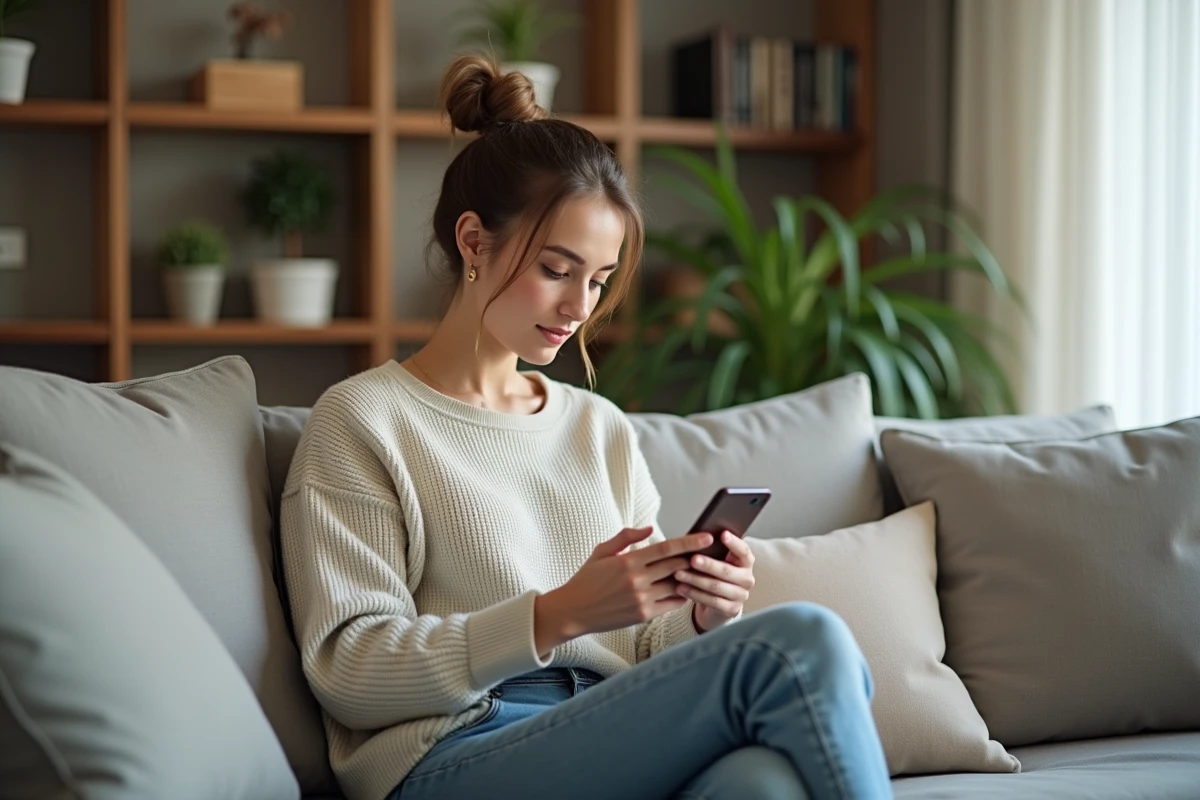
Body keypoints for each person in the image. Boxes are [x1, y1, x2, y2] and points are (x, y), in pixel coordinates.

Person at [279, 54, 891, 800]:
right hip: (454, 752)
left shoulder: (597, 428)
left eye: (598, 280)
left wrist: (702, 614)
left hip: (603, 727)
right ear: (474, 242)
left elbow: (637, 646)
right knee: (807, 643)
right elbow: (350, 669)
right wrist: (557, 612)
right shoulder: (365, 420)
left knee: (761, 785)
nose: (580, 307)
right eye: (558, 269)